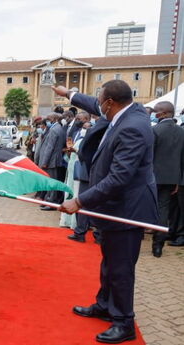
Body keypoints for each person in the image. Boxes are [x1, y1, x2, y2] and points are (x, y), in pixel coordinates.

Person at [54, 80, 159, 344]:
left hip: (127, 210)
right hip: (114, 207)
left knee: (121, 269)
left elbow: (120, 177)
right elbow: (91, 103)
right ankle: (104, 305)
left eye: (101, 101)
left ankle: (124, 322)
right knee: (109, 263)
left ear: (110, 103)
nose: (98, 105)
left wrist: (80, 202)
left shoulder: (133, 127)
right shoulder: (123, 111)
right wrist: (69, 94)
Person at [151, 101, 184, 256]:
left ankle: (139, 239)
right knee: (163, 210)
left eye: (156, 111)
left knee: (147, 207)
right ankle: (158, 245)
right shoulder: (181, 132)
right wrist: (178, 180)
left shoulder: (155, 130)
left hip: (152, 177)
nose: (154, 114)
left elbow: (148, 157)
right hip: (171, 178)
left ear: (163, 113)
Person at [59, 117, 90, 230]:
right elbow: (70, 156)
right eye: (83, 127)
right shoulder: (77, 137)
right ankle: (66, 220)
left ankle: (76, 224)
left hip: (80, 171)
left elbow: (86, 156)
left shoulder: (89, 141)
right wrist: (69, 152)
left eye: (87, 128)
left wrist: (75, 151)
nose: (84, 129)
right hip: (71, 169)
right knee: (69, 192)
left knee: (77, 194)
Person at [38, 113, 66, 209]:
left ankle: (51, 203)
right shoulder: (59, 128)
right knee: (52, 182)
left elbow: (50, 147)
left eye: (49, 119)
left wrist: (44, 162)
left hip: (51, 161)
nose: (47, 121)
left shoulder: (54, 130)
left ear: (54, 119)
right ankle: (49, 200)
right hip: (55, 160)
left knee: (51, 183)